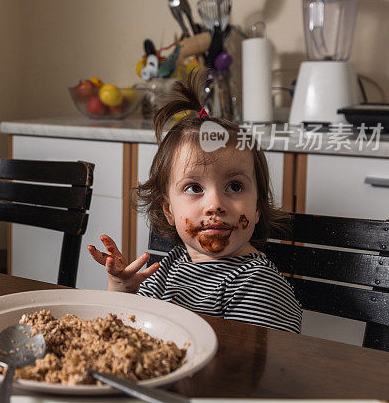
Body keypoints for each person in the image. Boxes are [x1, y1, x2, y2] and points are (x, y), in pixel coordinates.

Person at [87, 69, 302, 333]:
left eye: (234, 186)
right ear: (168, 210)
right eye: (194, 187)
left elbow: (254, 370)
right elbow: (126, 336)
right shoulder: (169, 267)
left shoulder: (258, 284)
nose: (215, 205)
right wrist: (120, 292)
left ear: (257, 207)